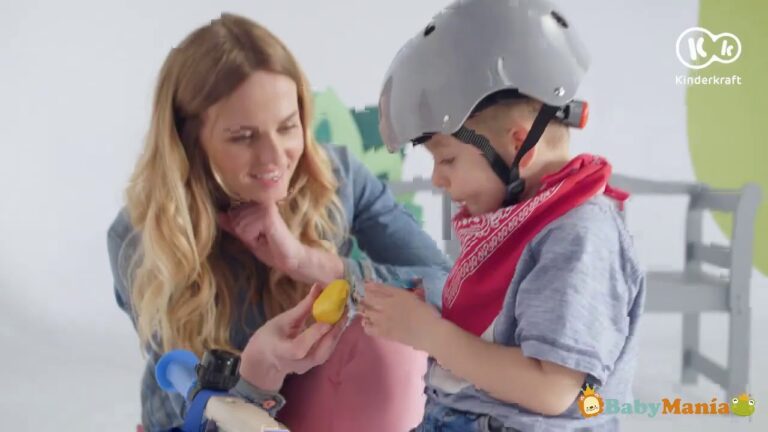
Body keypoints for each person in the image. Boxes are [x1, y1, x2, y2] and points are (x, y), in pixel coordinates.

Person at [106, 13, 451, 431]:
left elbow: (448, 289)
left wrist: (310, 262)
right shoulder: (143, 236)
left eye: (288, 127)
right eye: (243, 137)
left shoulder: (336, 177)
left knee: (389, 344)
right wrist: (256, 374)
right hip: (209, 422)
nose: (274, 159)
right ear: (188, 140)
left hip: (315, 402)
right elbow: (200, 415)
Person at [361, 0, 646, 431]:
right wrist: (435, 317)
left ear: (518, 145)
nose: (438, 179)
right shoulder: (522, 217)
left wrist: (432, 334)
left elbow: (551, 390)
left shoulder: (580, 236)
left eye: (448, 160)